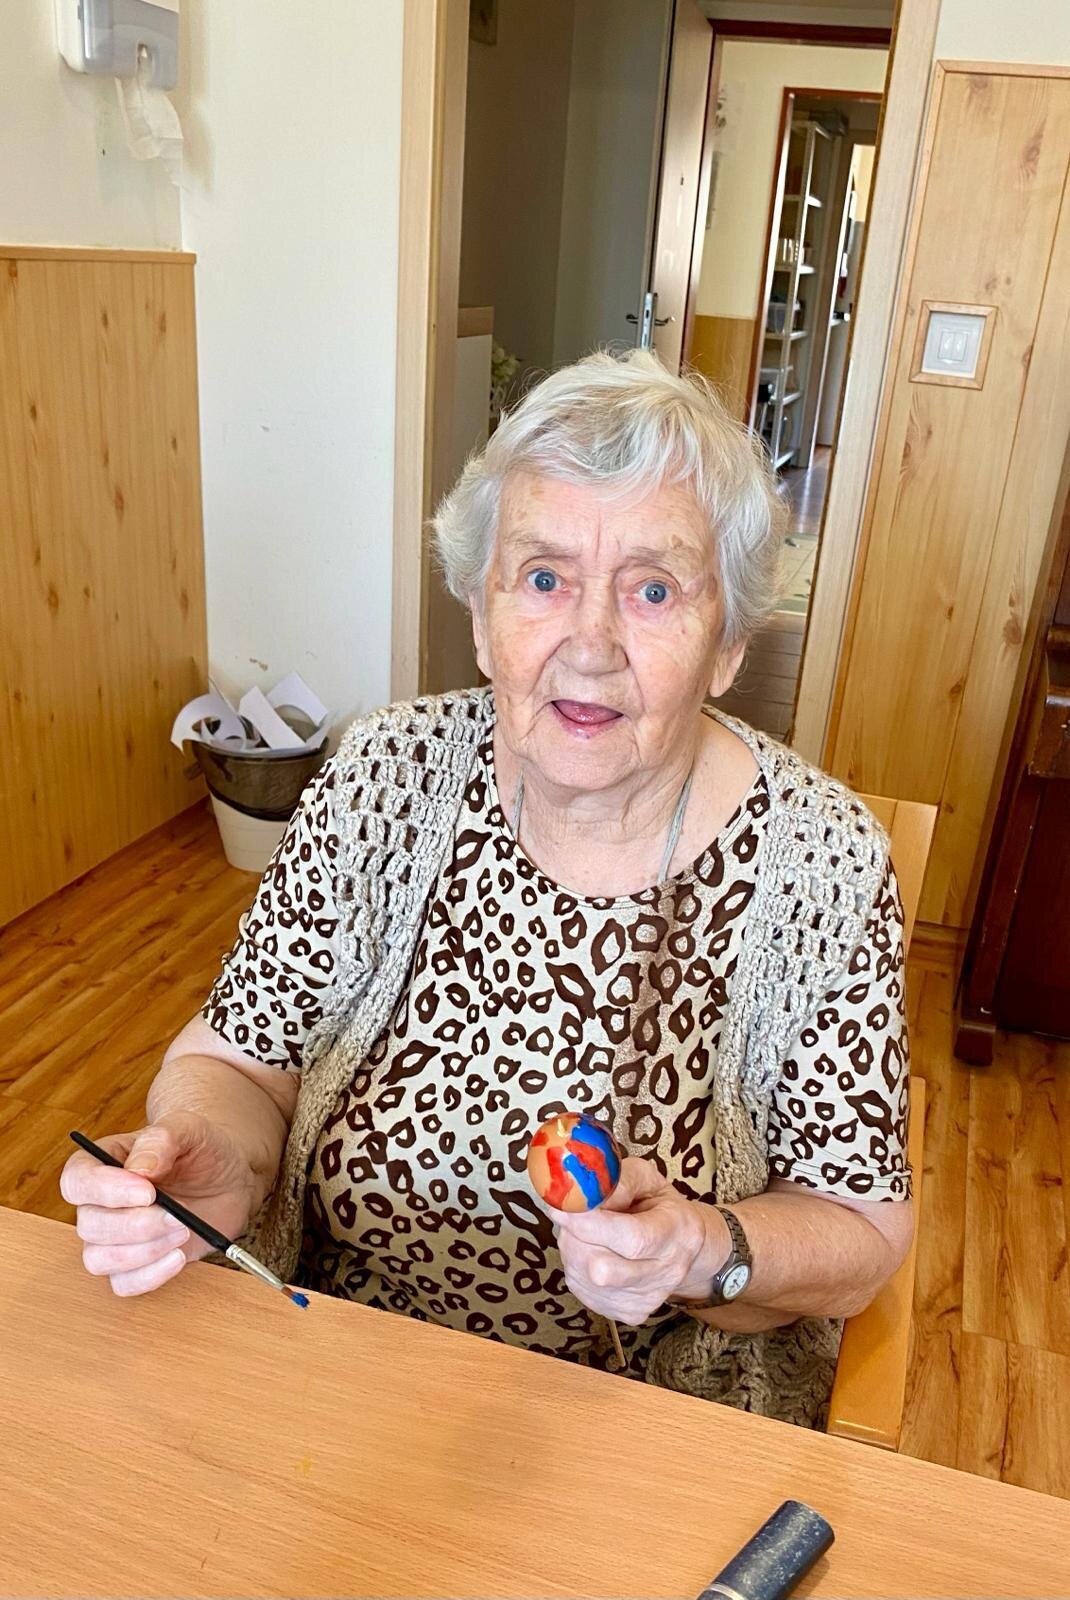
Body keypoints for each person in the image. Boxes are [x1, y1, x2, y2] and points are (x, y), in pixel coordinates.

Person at [62, 350, 912, 1427]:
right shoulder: (382, 776)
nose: (589, 645)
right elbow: (238, 1060)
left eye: (653, 589)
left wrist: (704, 1246)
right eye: (543, 578)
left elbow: (861, 1231)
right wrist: (214, 1161)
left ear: (730, 642)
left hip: (653, 1424)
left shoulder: (821, 861)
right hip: (332, 1359)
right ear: (479, 612)